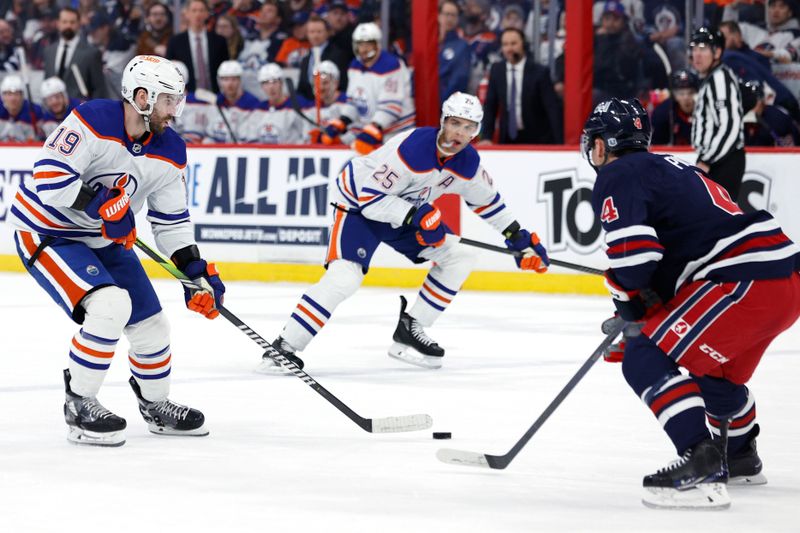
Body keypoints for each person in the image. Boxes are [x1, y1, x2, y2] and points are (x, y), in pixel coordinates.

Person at [583, 97, 800, 509]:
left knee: (644, 356)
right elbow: (677, 256)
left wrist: (627, 308)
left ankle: (700, 460)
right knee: (713, 375)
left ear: (600, 145)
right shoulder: (673, 167)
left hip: (741, 280)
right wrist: (635, 309)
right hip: (782, 281)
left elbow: (635, 260)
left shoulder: (617, 173)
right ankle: (738, 454)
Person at [6, 55, 226, 447]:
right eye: (168, 100)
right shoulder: (92, 119)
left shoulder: (171, 150)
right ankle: (80, 402)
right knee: (110, 307)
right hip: (48, 232)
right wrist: (100, 203)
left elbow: (171, 222)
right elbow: (48, 177)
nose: (175, 110)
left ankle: (156, 405)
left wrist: (194, 271)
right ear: (142, 97)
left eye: (177, 100)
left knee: (153, 326)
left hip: (103, 238)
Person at [257, 92, 549, 374]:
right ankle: (284, 347)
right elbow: (371, 200)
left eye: (470, 127)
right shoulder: (413, 148)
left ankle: (411, 328)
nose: (461, 132)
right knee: (345, 277)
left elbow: (487, 201)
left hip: (402, 210)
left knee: (459, 256)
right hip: (357, 204)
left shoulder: (468, 163)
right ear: (444, 121)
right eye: (456, 123)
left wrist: (517, 238)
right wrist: (418, 217)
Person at [320, 22, 415, 155]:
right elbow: (354, 101)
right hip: (370, 129)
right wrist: (341, 121)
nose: (363, 49)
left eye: (367, 44)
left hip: (396, 132)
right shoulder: (354, 65)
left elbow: (391, 107)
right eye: (360, 44)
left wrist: (373, 129)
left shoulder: (391, 65)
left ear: (377, 44)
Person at [690, 27, 746, 205]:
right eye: (694, 48)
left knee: (718, 222)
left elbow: (730, 126)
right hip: (716, 159)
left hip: (723, 161)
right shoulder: (711, 78)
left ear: (718, 52)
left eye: (703, 48)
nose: (697, 54)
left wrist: (706, 159)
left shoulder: (720, 78)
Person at [481, 27, 562, 144]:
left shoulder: (540, 72)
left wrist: (559, 144)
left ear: (523, 44)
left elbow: (552, 108)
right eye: (505, 44)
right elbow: (490, 106)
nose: (509, 48)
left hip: (537, 139)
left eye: (513, 43)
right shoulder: (497, 70)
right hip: (507, 138)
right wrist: (487, 138)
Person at [43, 7, 108, 99]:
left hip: (81, 110)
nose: (68, 26)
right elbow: (46, 84)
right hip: (54, 109)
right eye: (64, 22)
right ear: (58, 23)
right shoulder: (49, 51)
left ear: (79, 24)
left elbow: (99, 89)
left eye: (72, 22)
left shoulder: (92, 53)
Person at [166, 0, 230, 93]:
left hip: (215, 94)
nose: (198, 14)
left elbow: (225, 68)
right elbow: (170, 71)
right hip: (187, 96)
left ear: (207, 13)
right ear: (187, 14)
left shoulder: (219, 41)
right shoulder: (175, 42)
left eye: (201, 10)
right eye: (194, 10)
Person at [243, 62, 307, 144]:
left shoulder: (297, 106)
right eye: (266, 82)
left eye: (274, 81)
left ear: (281, 83)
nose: (271, 87)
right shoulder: (258, 110)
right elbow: (251, 140)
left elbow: (306, 137)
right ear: (261, 86)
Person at [296, 14, 350, 100]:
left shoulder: (338, 55)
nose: (315, 36)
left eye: (319, 31)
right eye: (312, 32)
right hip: (311, 107)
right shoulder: (305, 58)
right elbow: (302, 86)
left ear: (327, 33)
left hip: (332, 105)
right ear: (307, 34)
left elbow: (343, 84)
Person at [205, 59, 260, 143]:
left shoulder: (253, 104)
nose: (230, 84)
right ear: (219, 81)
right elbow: (210, 134)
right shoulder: (216, 102)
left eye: (234, 79)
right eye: (225, 79)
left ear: (240, 80)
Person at [740, 78, 800, 146]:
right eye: (745, 101)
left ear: (763, 101)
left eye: (754, 101)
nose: (750, 105)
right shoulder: (733, 118)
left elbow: (792, 150)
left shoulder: (779, 120)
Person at [304, 60, 349, 144]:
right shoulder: (310, 109)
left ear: (336, 83)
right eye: (317, 83)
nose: (320, 87)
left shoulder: (348, 104)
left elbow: (356, 131)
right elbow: (305, 139)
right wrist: (312, 140)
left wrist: (340, 141)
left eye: (325, 83)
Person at [650, 68, 698, 145]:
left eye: (691, 92)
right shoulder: (663, 114)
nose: (686, 98)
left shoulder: (706, 111)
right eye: (681, 93)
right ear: (674, 95)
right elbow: (656, 146)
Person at [438, 0, 472, 104]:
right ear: (438, 16)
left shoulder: (462, 46)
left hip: (445, 106)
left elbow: (459, 80)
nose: (450, 19)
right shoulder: (428, 44)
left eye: (454, 15)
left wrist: (441, 103)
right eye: (447, 14)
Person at [0, 75, 44, 142]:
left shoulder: (34, 111)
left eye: (16, 94)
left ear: (22, 96)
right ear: (2, 96)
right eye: (9, 94)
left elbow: (42, 138)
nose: (13, 98)